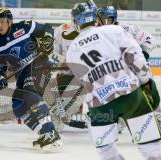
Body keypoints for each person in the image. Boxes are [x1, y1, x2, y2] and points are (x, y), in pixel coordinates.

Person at [66, 2, 161, 159]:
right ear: (96, 17)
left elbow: (82, 82)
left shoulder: (71, 50)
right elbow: (135, 58)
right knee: (151, 146)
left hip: (100, 105)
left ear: (76, 22)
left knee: (107, 153)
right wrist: (147, 83)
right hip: (131, 95)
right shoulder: (115, 31)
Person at [0, 8, 63, 151]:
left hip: (39, 64)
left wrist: (47, 39)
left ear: (10, 21)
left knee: (30, 91)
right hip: (22, 73)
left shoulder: (24, 26)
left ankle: (50, 132)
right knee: (18, 106)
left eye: (2, 21)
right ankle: (43, 134)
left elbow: (46, 28)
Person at [98, 5, 161, 127]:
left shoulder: (128, 28)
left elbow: (150, 40)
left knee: (151, 97)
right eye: (103, 18)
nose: (105, 21)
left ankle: (158, 117)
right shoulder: (98, 33)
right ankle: (120, 122)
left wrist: (142, 56)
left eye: (108, 18)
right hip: (117, 72)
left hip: (138, 68)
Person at [51, 3, 90, 132]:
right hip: (65, 74)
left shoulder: (95, 32)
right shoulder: (62, 31)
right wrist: (63, 62)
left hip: (87, 77)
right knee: (58, 109)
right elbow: (53, 54)